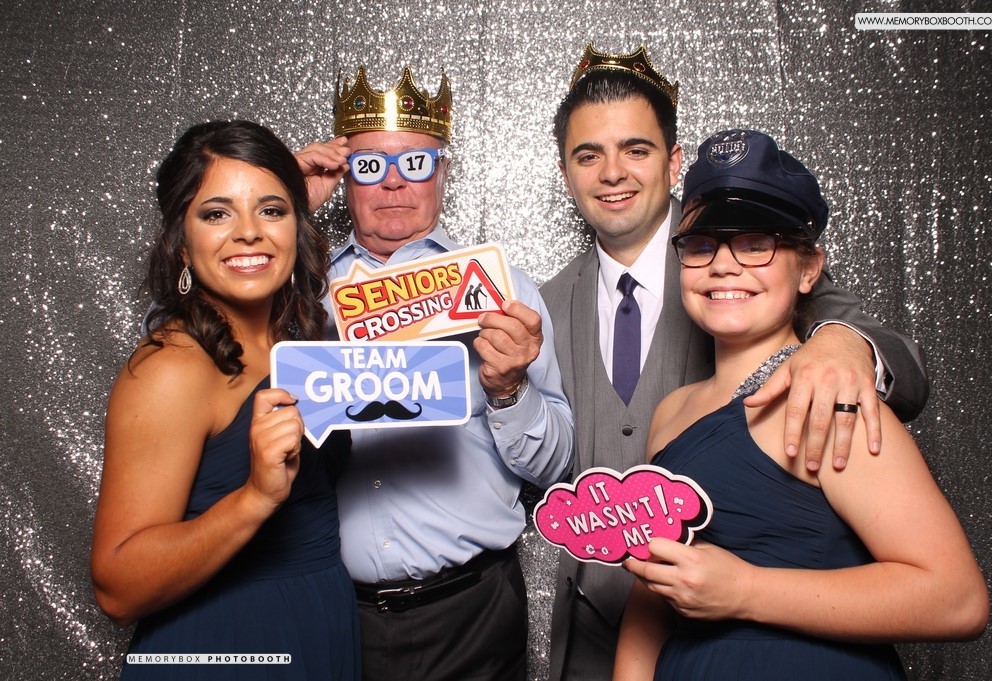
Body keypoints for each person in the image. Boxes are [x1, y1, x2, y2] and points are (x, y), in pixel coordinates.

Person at [540, 45, 931, 681]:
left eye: (635, 150)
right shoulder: (542, 304)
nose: (612, 173)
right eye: (589, 155)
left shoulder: (753, 262)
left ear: (672, 164)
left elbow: (896, 359)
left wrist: (845, 343)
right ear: (566, 173)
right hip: (598, 632)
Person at [613, 128, 988, 680]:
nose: (722, 265)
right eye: (701, 245)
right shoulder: (672, 412)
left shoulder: (834, 398)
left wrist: (746, 590)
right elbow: (653, 588)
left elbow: (957, 599)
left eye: (755, 243)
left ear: (809, 269)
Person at [298, 65, 574, 681]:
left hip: (473, 613)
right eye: (370, 165)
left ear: (443, 171)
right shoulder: (297, 294)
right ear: (342, 179)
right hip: (334, 613)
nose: (393, 181)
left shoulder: (505, 294)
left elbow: (556, 466)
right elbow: (198, 343)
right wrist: (282, 206)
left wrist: (510, 391)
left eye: (416, 162)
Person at [90, 120, 361, 680]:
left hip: (320, 622)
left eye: (271, 211)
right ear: (180, 242)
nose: (248, 233)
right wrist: (255, 498)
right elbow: (116, 589)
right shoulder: (171, 369)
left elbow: (262, 244)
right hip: (226, 642)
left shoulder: (301, 340)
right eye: (216, 214)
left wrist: (277, 202)